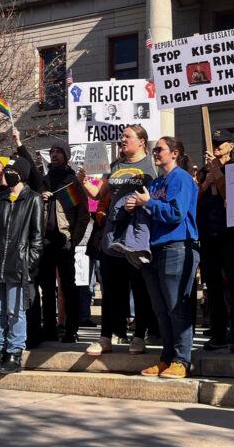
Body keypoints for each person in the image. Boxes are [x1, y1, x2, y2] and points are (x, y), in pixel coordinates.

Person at [79, 125, 157, 357]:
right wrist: (83, 181)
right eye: (122, 136)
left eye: (127, 137)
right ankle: (105, 338)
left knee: (139, 287)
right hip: (113, 235)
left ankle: (139, 336)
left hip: (137, 234)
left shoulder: (150, 166)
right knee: (111, 289)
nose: (122, 140)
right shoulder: (116, 166)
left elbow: (157, 195)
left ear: (141, 141)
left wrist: (143, 202)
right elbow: (98, 193)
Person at [127, 137, 200, 380]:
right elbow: (152, 210)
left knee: (176, 306)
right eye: (154, 149)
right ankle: (167, 358)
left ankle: (182, 359)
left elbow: (176, 213)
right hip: (154, 249)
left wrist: (149, 203)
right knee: (160, 309)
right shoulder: (156, 182)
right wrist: (136, 205)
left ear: (175, 153)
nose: (155, 153)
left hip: (176, 246)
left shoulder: (181, 178)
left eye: (160, 149)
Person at [0, 158, 43, 375]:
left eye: (13, 170)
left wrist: (29, 262)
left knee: (15, 311)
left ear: (22, 174)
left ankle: (14, 353)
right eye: (8, 170)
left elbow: (37, 237)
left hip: (18, 263)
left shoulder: (32, 199)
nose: (9, 173)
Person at [198, 139, 234, 353]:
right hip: (209, 235)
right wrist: (205, 183)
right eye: (214, 143)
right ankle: (219, 333)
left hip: (232, 236)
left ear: (231, 147)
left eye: (221, 144)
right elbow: (197, 202)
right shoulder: (205, 172)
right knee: (213, 287)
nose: (216, 147)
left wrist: (218, 175)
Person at [35, 142, 89, 343]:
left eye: (58, 152)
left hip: (64, 240)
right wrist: (41, 199)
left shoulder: (71, 181)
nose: (55, 155)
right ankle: (48, 328)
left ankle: (70, 329)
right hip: (45, 241)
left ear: (66, 156)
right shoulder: (44, 181)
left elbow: (83, 214)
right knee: (46, 288)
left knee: (68, 287)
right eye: (52, 152)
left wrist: (74, 240)